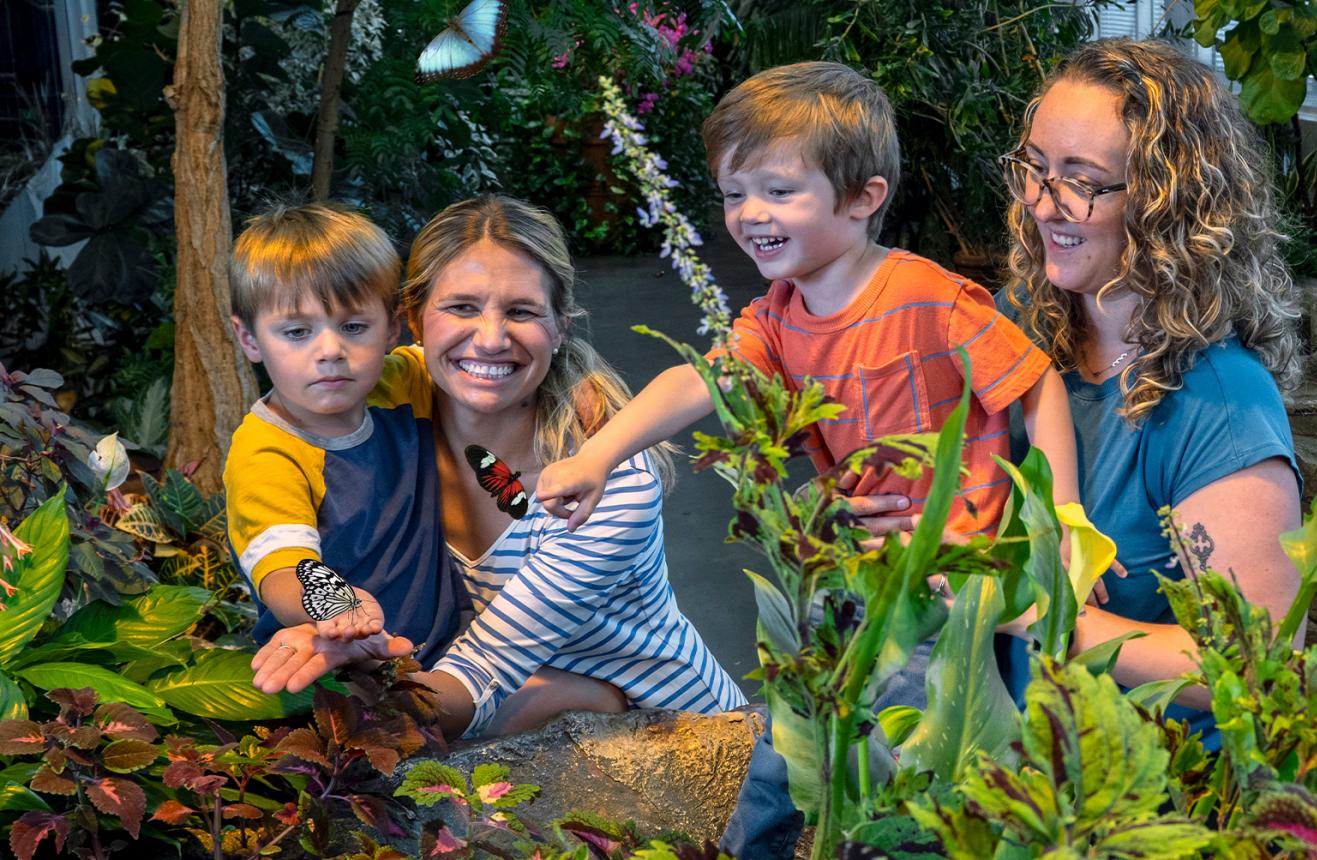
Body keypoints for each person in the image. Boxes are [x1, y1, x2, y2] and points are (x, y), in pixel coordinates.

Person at [535, 61, 1080, 860]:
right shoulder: (780, 314)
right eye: (732, 193)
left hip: (940, 588)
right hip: (842, 572)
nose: (750, 214)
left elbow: (1035, 385)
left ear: (864, 197)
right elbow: (702, 376)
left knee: (906, 763)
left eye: (779, 192)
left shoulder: (928, 298)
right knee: (791, 736)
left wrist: (1058, 524)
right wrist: (601, 455)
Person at [250, 196, 747, 740]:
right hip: (520, 726)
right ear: (410, 320)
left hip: (677, 738)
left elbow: (483, 668)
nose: (490, 338)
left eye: (522, 311)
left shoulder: (612, 482)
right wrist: (338, 624)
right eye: (461, 308)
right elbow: (283, 535)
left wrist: (374, 685)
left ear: (559, 326)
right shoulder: (386, 405)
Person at [995, 38, 1304, 726]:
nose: (1043, 205)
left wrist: (1018, 607)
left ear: (1169, 202)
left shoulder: (1220, 406)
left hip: (1150, 793)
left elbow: (1255, 671)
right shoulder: (1022, 322)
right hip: (1017, 764)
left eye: (1081, 180)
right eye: (1035, 168)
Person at [224, 202, 466, 663]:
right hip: (331, 669)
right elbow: (285, 569)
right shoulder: (266, 452)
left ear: (392, 326)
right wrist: (337, 604)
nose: (330, 350)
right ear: (249, 339)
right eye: (297, 332)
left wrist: (579, 390)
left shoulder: (402, 383)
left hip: (444, 654)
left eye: (354, 327)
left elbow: (477, 367)